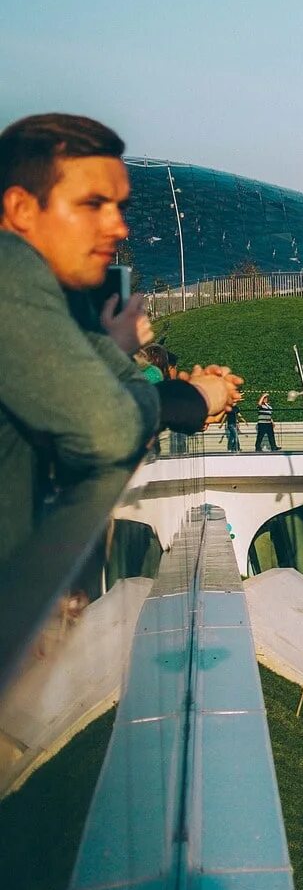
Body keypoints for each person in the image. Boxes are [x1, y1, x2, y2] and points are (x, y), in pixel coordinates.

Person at [0, 113, 242, 560]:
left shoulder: (46, 299)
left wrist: (172, 391)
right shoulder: (11, 277)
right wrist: (196, 398)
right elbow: (107, 427)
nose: (119, 227)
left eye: (119, 207)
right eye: (93, 204)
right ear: (21, 210)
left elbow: (74, 417)